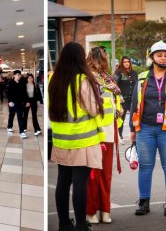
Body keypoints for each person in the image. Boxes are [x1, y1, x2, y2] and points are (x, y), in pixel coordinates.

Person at [49, 42, 105, 231]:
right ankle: (81, 225)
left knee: (62, 182)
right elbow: (94, 109)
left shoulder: (53, 79)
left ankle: (64, 224)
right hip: (83, 139)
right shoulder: (82, 80)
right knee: (80, 183)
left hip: (61, 140)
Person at [130, 40, 166, 216]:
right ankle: (143, 202)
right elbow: (135, 104)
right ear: (152, 58)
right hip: (145, 129)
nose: (163, 58)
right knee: (145, 167)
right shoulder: (142, 78)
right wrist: (132, 129)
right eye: (159, 55)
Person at [85, 46, 122, 224]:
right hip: (93, 131)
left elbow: (117, 101)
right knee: (93, 174)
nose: (102, 61)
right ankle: (91, 210)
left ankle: (104, 209)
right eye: (101, 57)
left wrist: (119, 110)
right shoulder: (86, 78)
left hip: (108, 131)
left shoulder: (108, 78)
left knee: (106, 174)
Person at [114, 56, 138, 145]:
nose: (126, 63)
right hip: (123, 99)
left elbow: (137, 85)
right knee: (121, 118)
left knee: (134, 117)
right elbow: (114, 85)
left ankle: (135, 135)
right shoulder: (119, 72)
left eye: (128, 61)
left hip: (133, 99)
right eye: (124, 62)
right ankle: (119, 136)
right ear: (121, 63)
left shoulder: (134, 73)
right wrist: (119, 96)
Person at [7, 70, 28, 138]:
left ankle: (21, 131)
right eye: (17, 75)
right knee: (11, 115)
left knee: (20, 117)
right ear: (14, 75)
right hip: (12, 103)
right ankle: (9, 126)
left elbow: (24, 93)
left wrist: (26, 102)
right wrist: (9, 101)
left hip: (20, 103)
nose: (19, 76)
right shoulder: (10, 83)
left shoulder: (22, 83)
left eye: (20, 75)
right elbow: (8, 93)